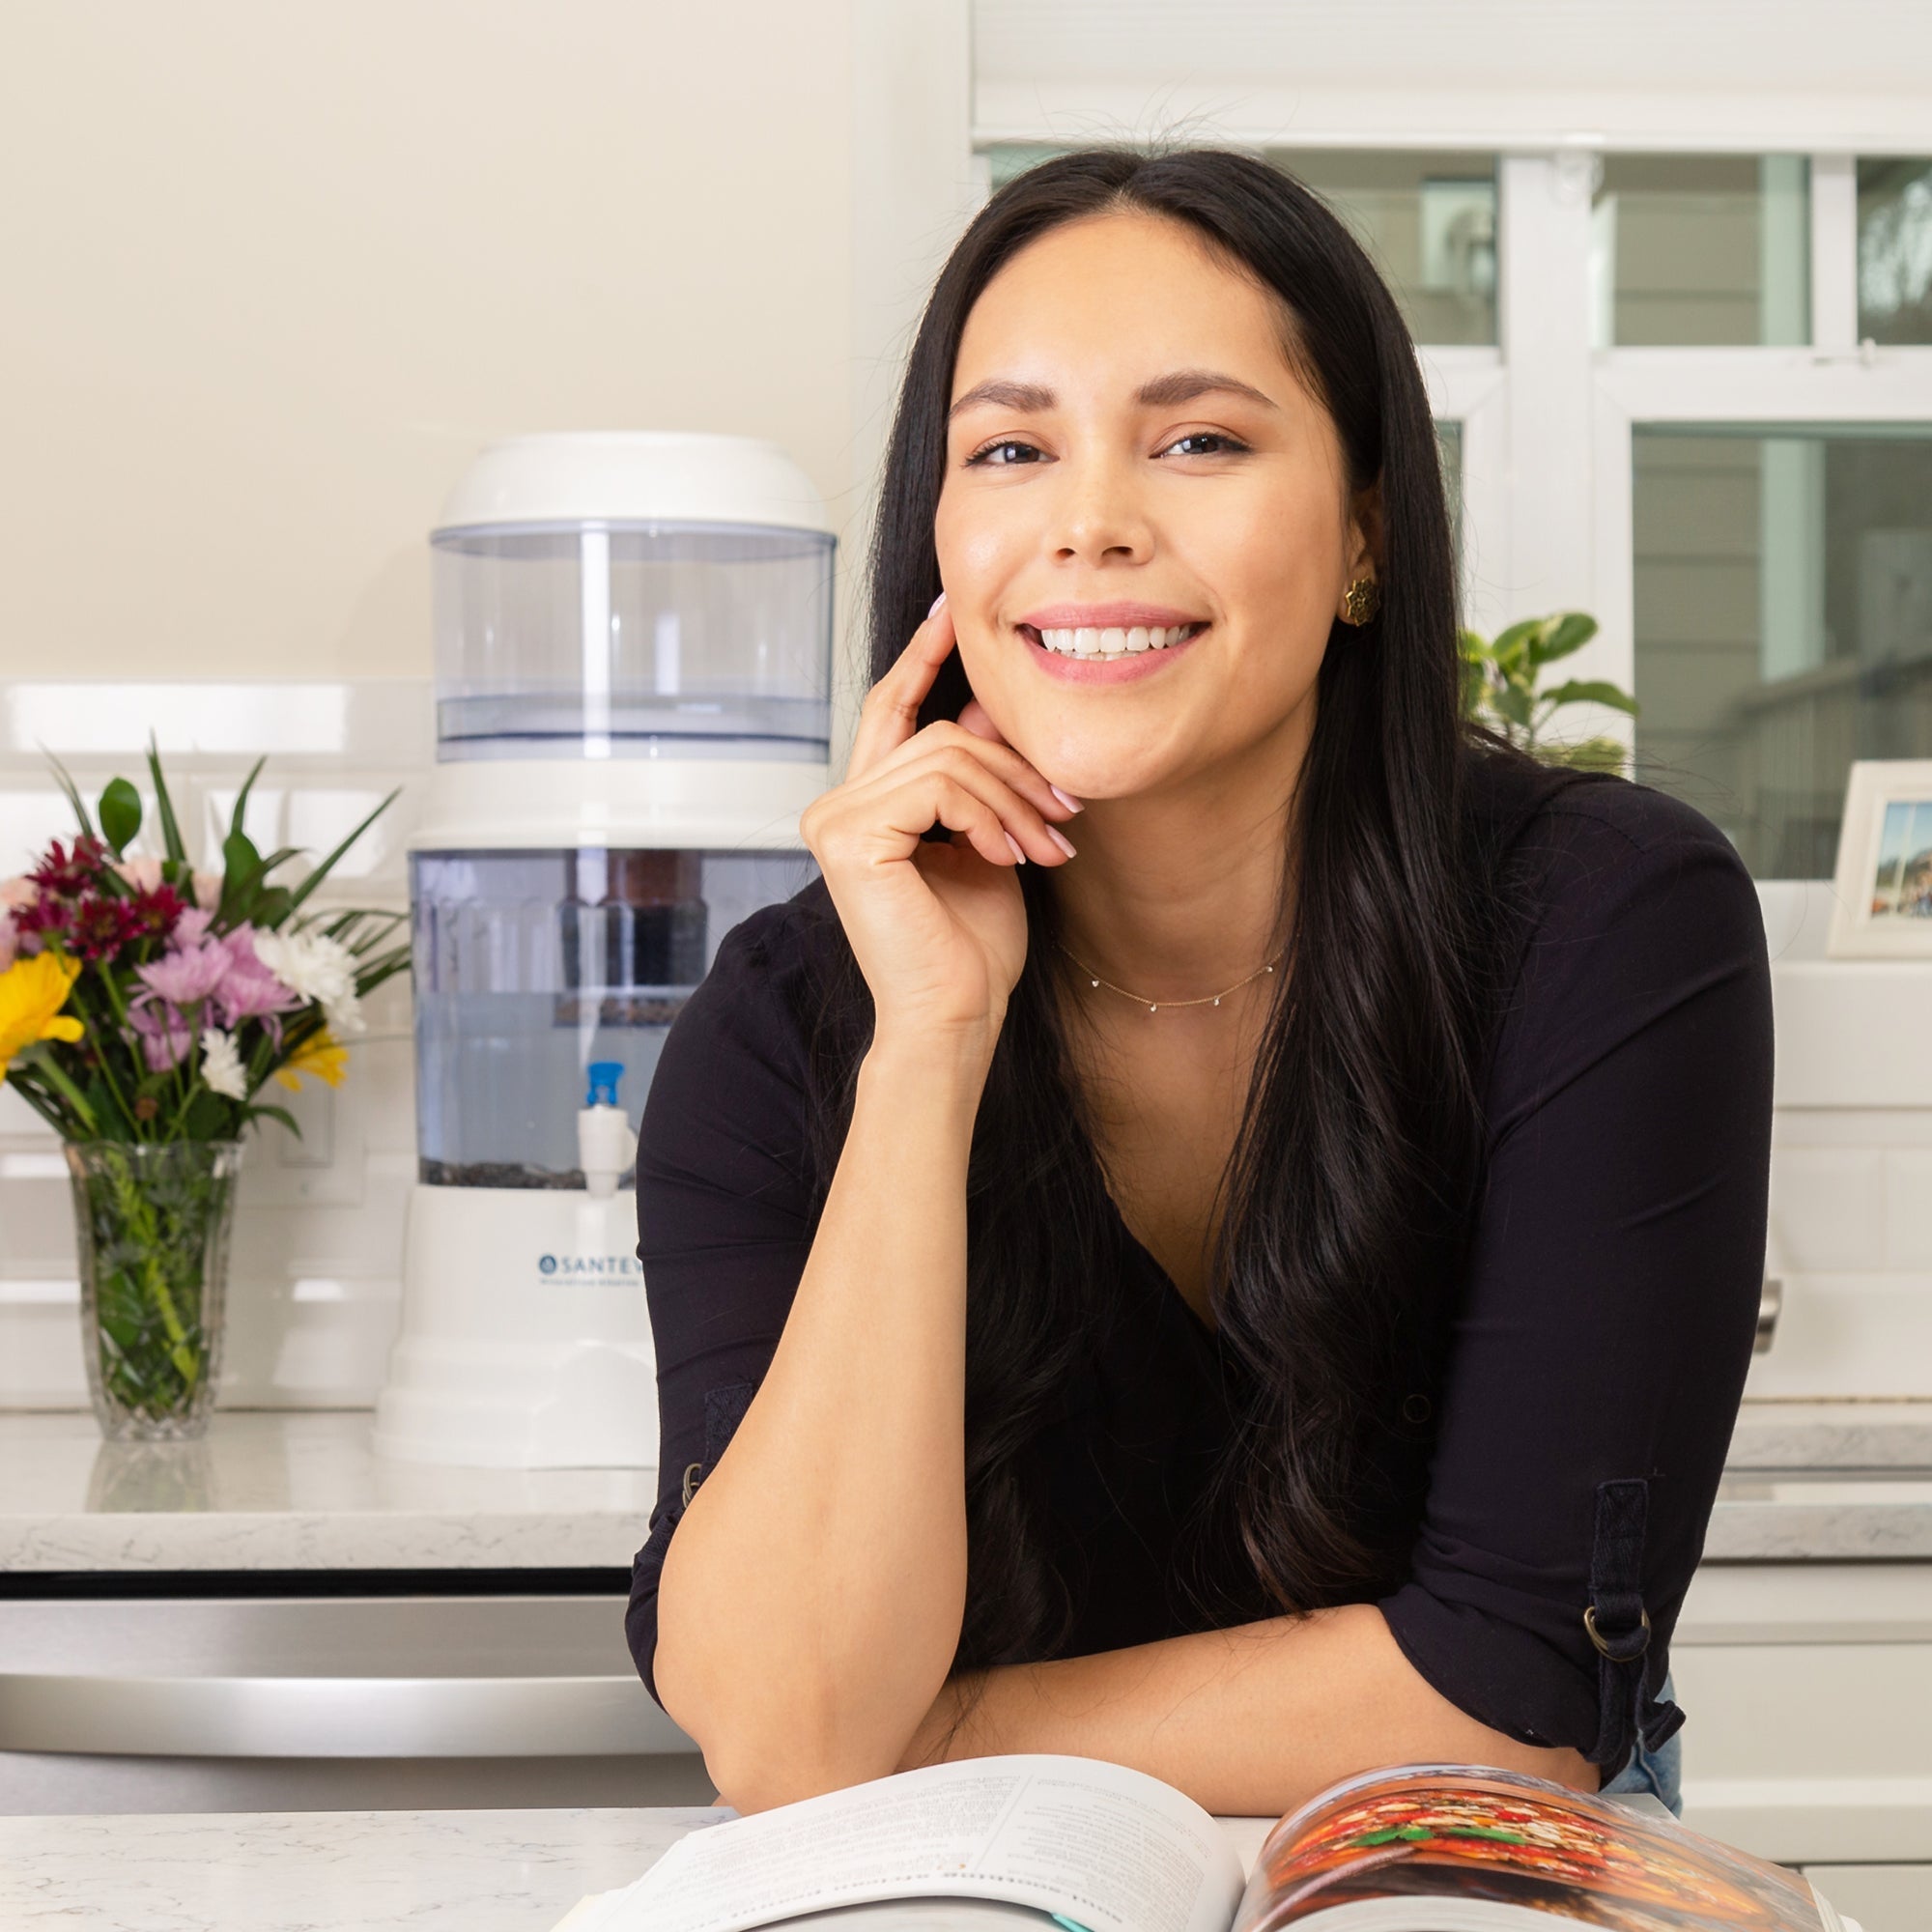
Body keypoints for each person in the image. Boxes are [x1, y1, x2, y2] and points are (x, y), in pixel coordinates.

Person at [625, 148, 1772, 1821]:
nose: (1089, 521)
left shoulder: (1601, 921)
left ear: (1367, 529)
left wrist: (916, 1742)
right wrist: (930, 1050)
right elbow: (784, 1715)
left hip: (1442, 1882)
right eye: (1011, 448)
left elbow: (1517, 1691)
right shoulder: (787, 1016)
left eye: (1200, 441)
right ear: (939, 535)